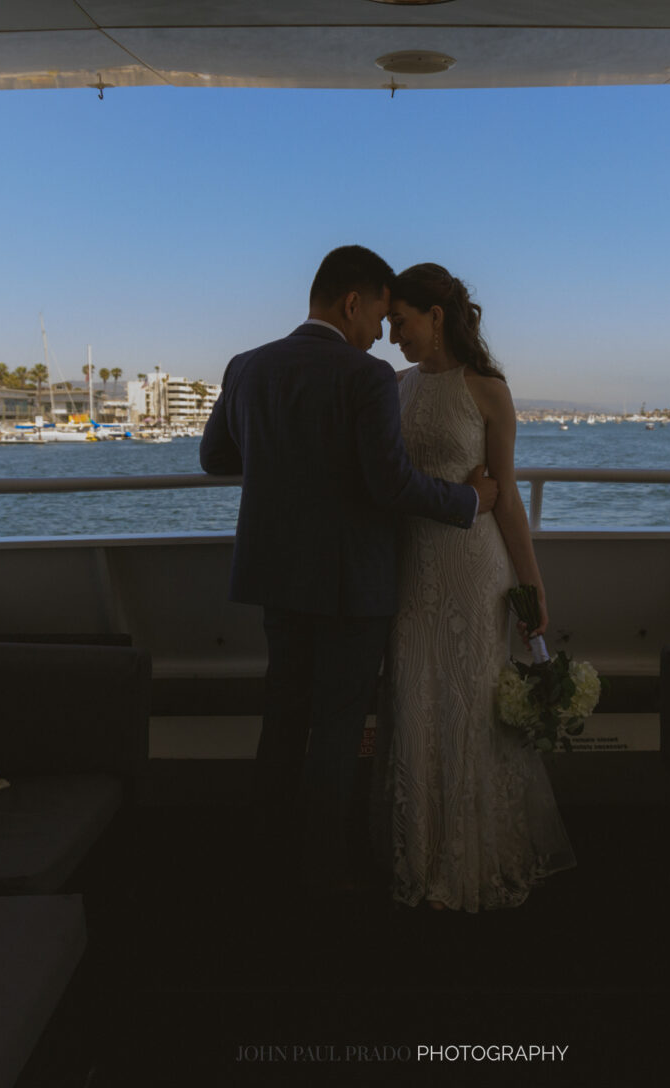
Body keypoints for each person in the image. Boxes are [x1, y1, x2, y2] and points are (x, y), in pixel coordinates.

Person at [200, 245, 498, 899]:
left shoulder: (245, 366)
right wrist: (471, 501)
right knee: (335, 732)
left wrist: (286, 461)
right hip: (349, 585)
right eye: (378, 318)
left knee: (281, 720)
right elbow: (390, 485)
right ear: (353, 303)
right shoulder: (362, 376)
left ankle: (264, 859)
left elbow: (216, 457)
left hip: (275, 577)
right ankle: (320, 877)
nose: (379, 338)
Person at [376, 262, 576, 913]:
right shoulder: (396, 386)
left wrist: (531, 585)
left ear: (436, 315)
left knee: (467, 710)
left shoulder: (487, 389)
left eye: (400, 321)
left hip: (472, 571)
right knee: (413, 698)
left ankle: (474, 861)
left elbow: (507, 497)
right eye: (385, 323)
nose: (391, 335)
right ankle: (421, 855)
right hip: (409, 569)